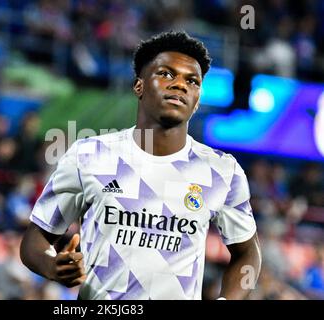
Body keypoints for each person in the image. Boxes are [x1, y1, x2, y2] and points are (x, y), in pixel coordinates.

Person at [20, 31, 262, 300]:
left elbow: (247, 253)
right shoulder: (89, 155)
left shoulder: (222, 171)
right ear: (139, 86)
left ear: (196, 101)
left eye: (191, 81)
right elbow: (35, 239)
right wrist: (52, 266)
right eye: (166, 74)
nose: (180, 84)